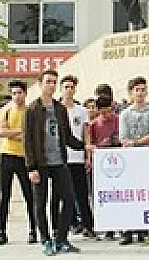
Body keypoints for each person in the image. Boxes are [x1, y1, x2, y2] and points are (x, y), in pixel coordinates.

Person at [24, 69, 85, 255]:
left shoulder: (60, 109)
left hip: (59, 162)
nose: (51, 85)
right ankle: (46, 240)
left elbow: (67, 136)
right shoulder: (32, 109)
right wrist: (31, 167)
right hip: (40, 164)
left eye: (53, 82)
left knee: (68, 199)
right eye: (48, 81)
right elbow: (27, 141)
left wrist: (85, 146)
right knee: (40, 203)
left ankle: (61, 239)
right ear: (40, 84)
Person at [118, 76, 149, 245]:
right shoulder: (125, 114)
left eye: (143, 90)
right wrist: (131, 143)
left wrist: (136, 142)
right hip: (130, 160)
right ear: (131, 92)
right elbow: (123, 137)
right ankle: (127, 231)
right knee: (130, 194)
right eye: (137, 90)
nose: (140, 93)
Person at [50, 75, 93, 239]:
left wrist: (88, 155)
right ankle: (58, 227)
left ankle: (88, 225)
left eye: (71, 87)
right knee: (57, 194)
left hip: (77, 156)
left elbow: (86, 133)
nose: (69, 90)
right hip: (59, 158)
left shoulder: (81, 111)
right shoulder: (54, 109)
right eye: (66, 87)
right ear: (61, 89)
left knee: (81, 193)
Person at [0, 80, 37, 246]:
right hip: (7, 155)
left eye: (19, 93)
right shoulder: (6, 112)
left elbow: (32, 135)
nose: (17, 96)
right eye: (13, 93)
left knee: (29, 195)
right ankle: (1, 231)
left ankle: (33, 230)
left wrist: (12, 133)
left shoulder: (30, 112)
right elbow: (2, 133)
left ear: (25, 94)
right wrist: (21, 132)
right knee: (5, 195)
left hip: (25, 157)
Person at [85, 94, 119, 241]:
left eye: (109, 111)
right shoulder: (94, 125)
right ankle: (107, 227)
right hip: (101, 166)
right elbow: (90, 145)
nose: (107, 115)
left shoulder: (118, 120)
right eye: (103, 113)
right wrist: (92, 155)